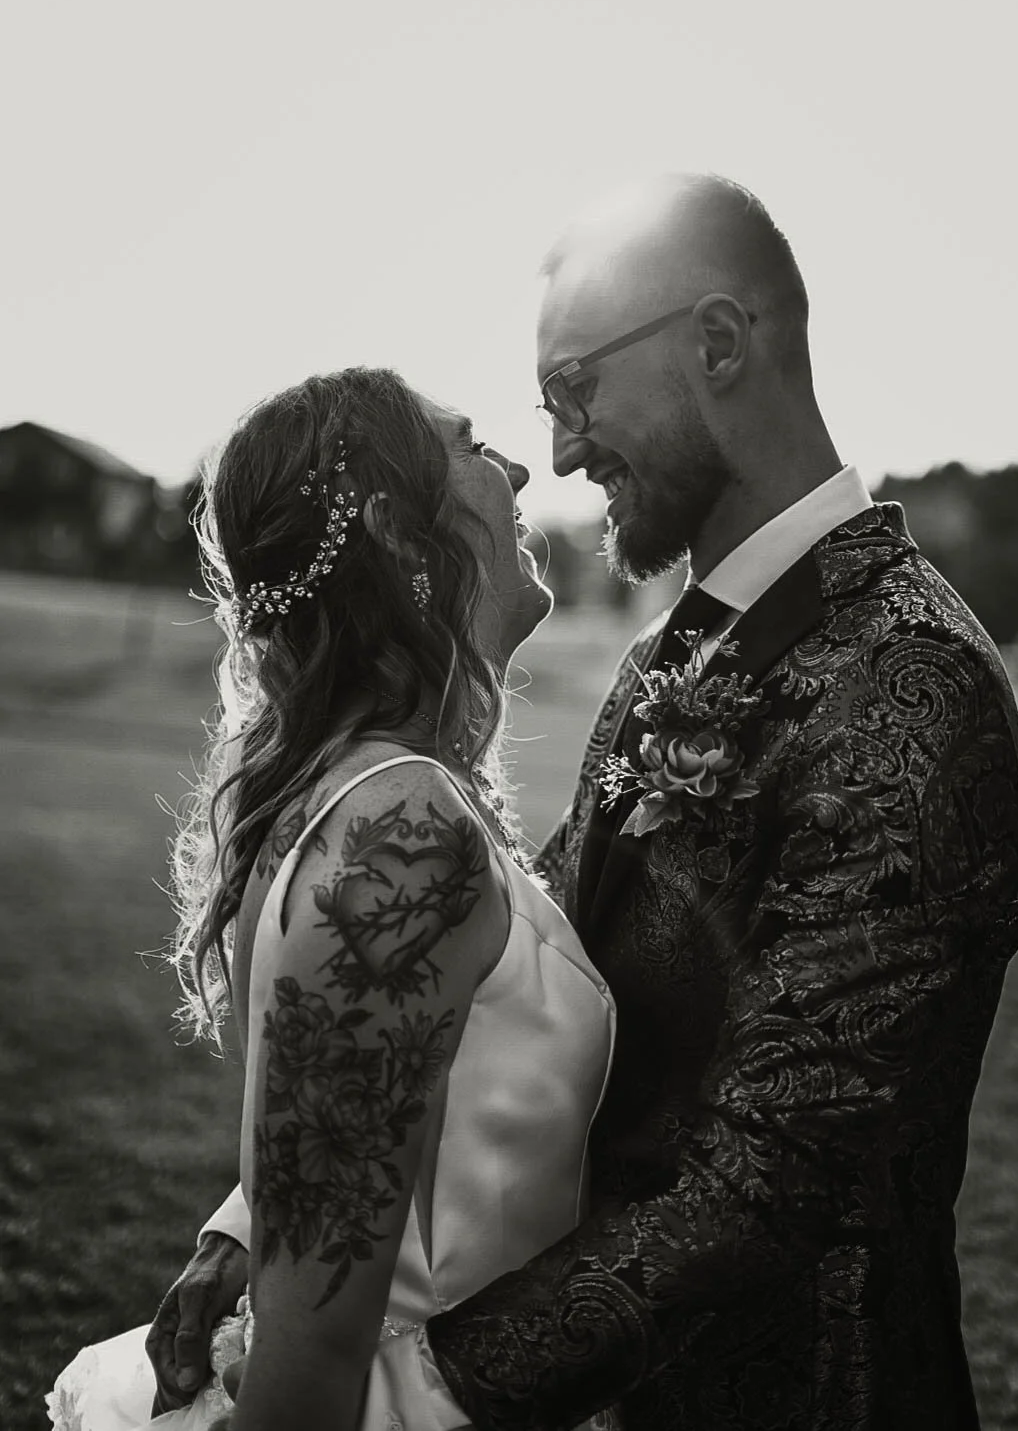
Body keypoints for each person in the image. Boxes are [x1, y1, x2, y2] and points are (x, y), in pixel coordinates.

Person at [148, 172, 1018, 1431]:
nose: (558, 451)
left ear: (717, 345)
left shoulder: (911, 681)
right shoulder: (665, 665)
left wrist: (434, 1389)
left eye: (574, 391)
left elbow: (779, 1172)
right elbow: (525, 957)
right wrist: (275, 1219)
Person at [46, 366, 616, 1431]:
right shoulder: (398, 832)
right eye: (475, 445)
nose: (519, 467)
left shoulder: (374, 791)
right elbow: (312, 1349)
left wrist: (245, 1216)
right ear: (403, 531)